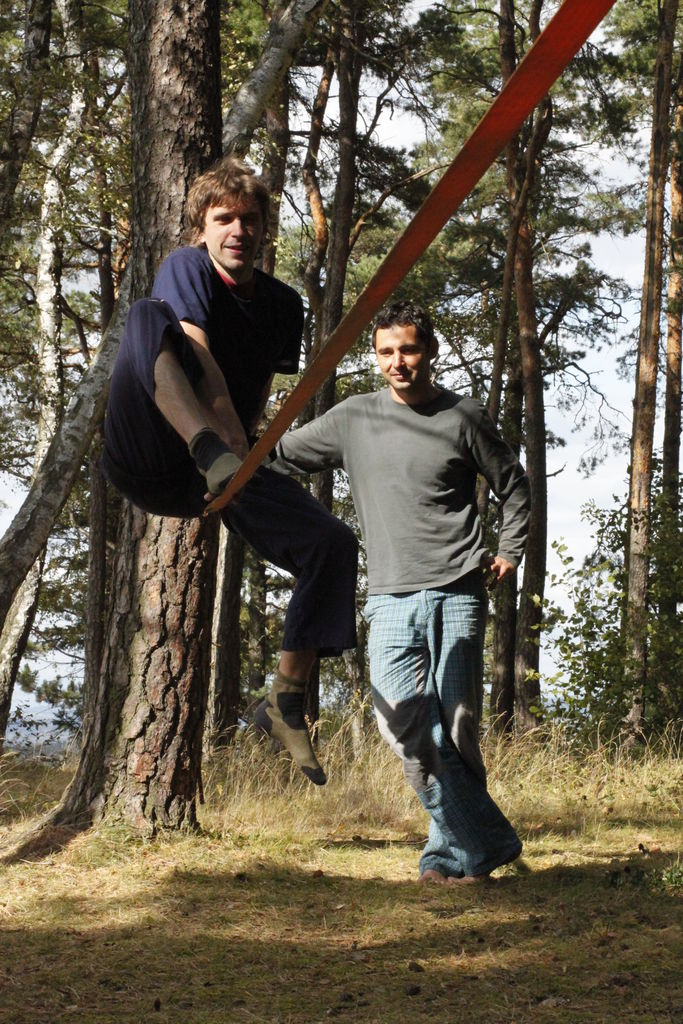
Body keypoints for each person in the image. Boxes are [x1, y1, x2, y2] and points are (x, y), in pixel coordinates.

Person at [102, 156, 358, 786]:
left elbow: (257, 395)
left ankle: (285, 700)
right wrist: (223, 448)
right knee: (144, 317)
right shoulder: (186, 267)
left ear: (265, 228)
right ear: (201, 229)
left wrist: (246, 461)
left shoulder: (282, 305)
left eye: (249, 219)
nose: (237, 230)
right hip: (153, 447)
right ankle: (214, 458)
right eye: (223, 219)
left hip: (223, 465)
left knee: (332, 542)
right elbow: (200, 358)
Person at [271, 301, 530, 882]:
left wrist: (510, 550)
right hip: (388, 595)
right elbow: (278, 457)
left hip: (460, 587)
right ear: (376, 356)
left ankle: (449, 858)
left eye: (408, 349)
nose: (398, 362)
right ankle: (488, 840)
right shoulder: (352, 418)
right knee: (404, 725)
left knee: (458, 727)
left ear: (429, 351)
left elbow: (513, 484)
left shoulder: (462, 416)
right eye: (386, 352)